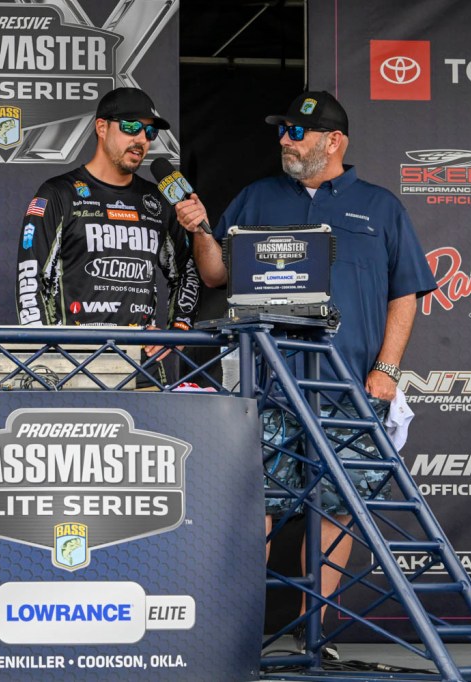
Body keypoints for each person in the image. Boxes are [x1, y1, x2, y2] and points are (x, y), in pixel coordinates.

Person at [174, 90, 438, 653]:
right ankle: (237, 633)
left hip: (348, 385)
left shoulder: (381, 206)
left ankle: (313, 632)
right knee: (255, 508)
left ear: (334, 141)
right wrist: (199, 229)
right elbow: (216, 274)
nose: (285, 141)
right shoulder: (257, 196)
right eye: (282, 131)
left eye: (296, 132)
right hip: (268, 381)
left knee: (339, 508)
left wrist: (387, 368)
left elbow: (406, 292)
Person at [15, 87, 200, 375]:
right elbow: (31, 277)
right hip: (71, 368)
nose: (141, 139)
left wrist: (178, 329)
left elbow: (188, 271)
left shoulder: (158, 201)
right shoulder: (59, 194)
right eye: (131, 127)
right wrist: (46, 356)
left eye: (149, 132)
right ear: (101, 127)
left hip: (142, 371)